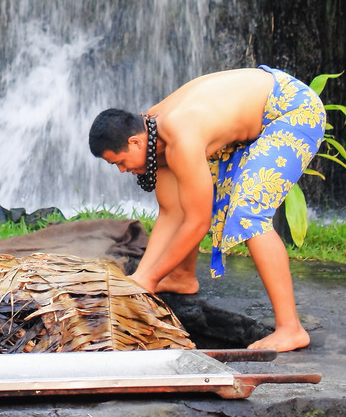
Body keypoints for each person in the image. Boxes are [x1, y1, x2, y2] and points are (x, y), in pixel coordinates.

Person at [88, 65, 325, 352]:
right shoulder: (152, 131)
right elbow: (171, 212)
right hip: (253, 114)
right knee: (186, 198)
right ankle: (181, 277)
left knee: (249, 211)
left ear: (135, 142)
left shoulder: (181, 136)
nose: (123, 171)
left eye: (120, 162)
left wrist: (147, 278)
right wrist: (142, 278)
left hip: (291, 109)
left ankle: (291, 328)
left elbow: (197, 222)